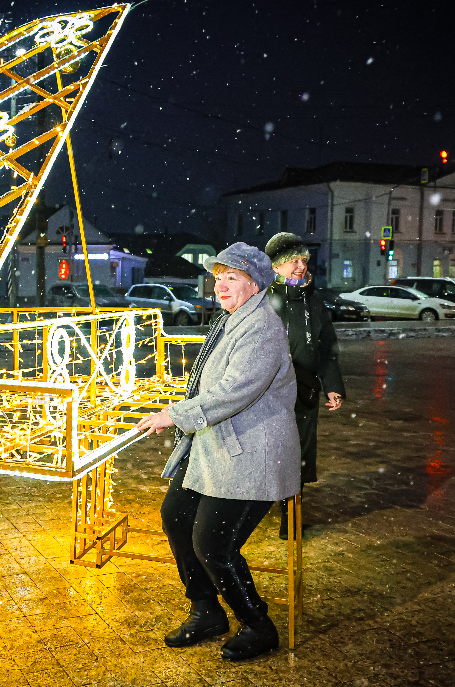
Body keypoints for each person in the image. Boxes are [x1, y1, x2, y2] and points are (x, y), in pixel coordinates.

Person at [137, 242, 300, 662]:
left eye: (232, 278)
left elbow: (235, 391)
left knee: (213, 544)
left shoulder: (261, 327)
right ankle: (207, 610)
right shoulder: (231, 321)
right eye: (217, 278)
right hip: (217, 447)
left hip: (252, 455)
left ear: (256, 284)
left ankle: (258, 624)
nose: (220, 286)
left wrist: (175, 414)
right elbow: (212, 382)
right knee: (176, 516)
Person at [264, 232, 345, 539]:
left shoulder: (313, 300)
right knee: (268, 454)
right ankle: (252, 509)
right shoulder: (261, 298)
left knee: (296, 455)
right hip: (268, 393)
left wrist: (332, 384)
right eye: (292, 261)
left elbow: (326, 347)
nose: (300, 266)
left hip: (305, 391)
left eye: (303, 260)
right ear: (276, 265)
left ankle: (291, 519)